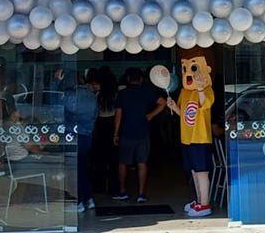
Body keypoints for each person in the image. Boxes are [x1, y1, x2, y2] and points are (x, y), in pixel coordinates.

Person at [167, 47, 215, 218]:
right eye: (185, 68)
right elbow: (184, 114)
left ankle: (205, 204)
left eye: (193, 68)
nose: (188, 73)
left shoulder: (208, 90)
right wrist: (174, 107)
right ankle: (198, 200)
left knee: (202, 172)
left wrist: (201, 89)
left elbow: (205, 104)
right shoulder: (184, 92)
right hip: (186, 138)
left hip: (200, 138)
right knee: (194, 171)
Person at [113, 67, 166, 203]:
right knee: (142, 163)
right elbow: (163, 103)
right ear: (141, 79)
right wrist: (151, 115)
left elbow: (118, 115)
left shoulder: (122, 94)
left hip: (126, 132)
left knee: (122, 163)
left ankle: (123, 191)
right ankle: (141, 194)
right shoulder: (147, 91)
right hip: (143, 132)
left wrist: (115, 133)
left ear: (128, 79)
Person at [55, 67, 100, 212]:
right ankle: (88, 198)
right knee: (82, 169)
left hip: (73, 137)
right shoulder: (91, 95)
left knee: (74, 170)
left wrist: (58, 83)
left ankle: (78, 202)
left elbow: (56, 103)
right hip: (87, 136)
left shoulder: (71, 96)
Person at [92, 66, 119, 194]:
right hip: (113, 123)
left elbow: (94, 113)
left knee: (100, 158)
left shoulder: (98, 95)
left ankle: (99, 186)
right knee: (114, 159)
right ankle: (114, 188)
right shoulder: (116, 94)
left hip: (100, 124)